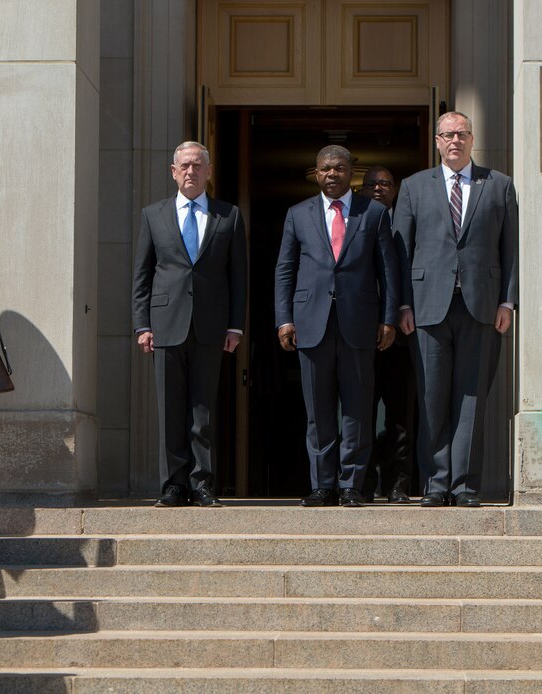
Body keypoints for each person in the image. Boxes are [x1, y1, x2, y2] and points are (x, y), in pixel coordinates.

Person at [392, 111, 517, 507]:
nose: (454, 141)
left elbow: (510, 250)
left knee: (471, 398)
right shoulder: (413, 187)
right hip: (427, 309)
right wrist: (403, 304)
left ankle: (464, 486)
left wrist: (508, 301)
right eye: (447, 135)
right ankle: (435, 483)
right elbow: (400, 251)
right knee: (431, 398)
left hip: (481, 306)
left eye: (461, 134)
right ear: (436, 141)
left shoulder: (498, 185)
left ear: (472, 138)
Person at [274, 145, 398, 507]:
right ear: (316, 173)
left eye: (340, 168)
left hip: (359, 324)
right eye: (326, 169)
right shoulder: (297, 215)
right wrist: (284, 319)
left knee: (358, 409)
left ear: (351, 173)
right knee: (318, 411)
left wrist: (388, 318)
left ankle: (351, 486)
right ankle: (322, 485)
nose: (332, 174)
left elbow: (387, 271)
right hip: (310, 325)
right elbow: (285, 270)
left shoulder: (373, 214)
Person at [131, 141, 247, 507]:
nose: (191, 172)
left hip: (211, 326)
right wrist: (142, 324)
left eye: (198, 165)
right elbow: (142, 275)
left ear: (209, 172)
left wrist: (235, 326)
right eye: (184, 165)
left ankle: (202, 484)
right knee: (170, 408)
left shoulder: (228, 216)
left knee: (203, 410)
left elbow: (238, 276)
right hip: (165, 324)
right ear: (173, 171)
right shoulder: (153, 215)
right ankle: (173, 485)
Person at [361, 166, 414, 504]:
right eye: (372, 184)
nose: (378, 188)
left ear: (395, 191)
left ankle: (398, 484)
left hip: (403, 338)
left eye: (385, 184)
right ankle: (362, 482)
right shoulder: (356, 222)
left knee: (400, 416)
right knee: (361, 412)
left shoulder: (408, 224)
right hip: (362, 336)